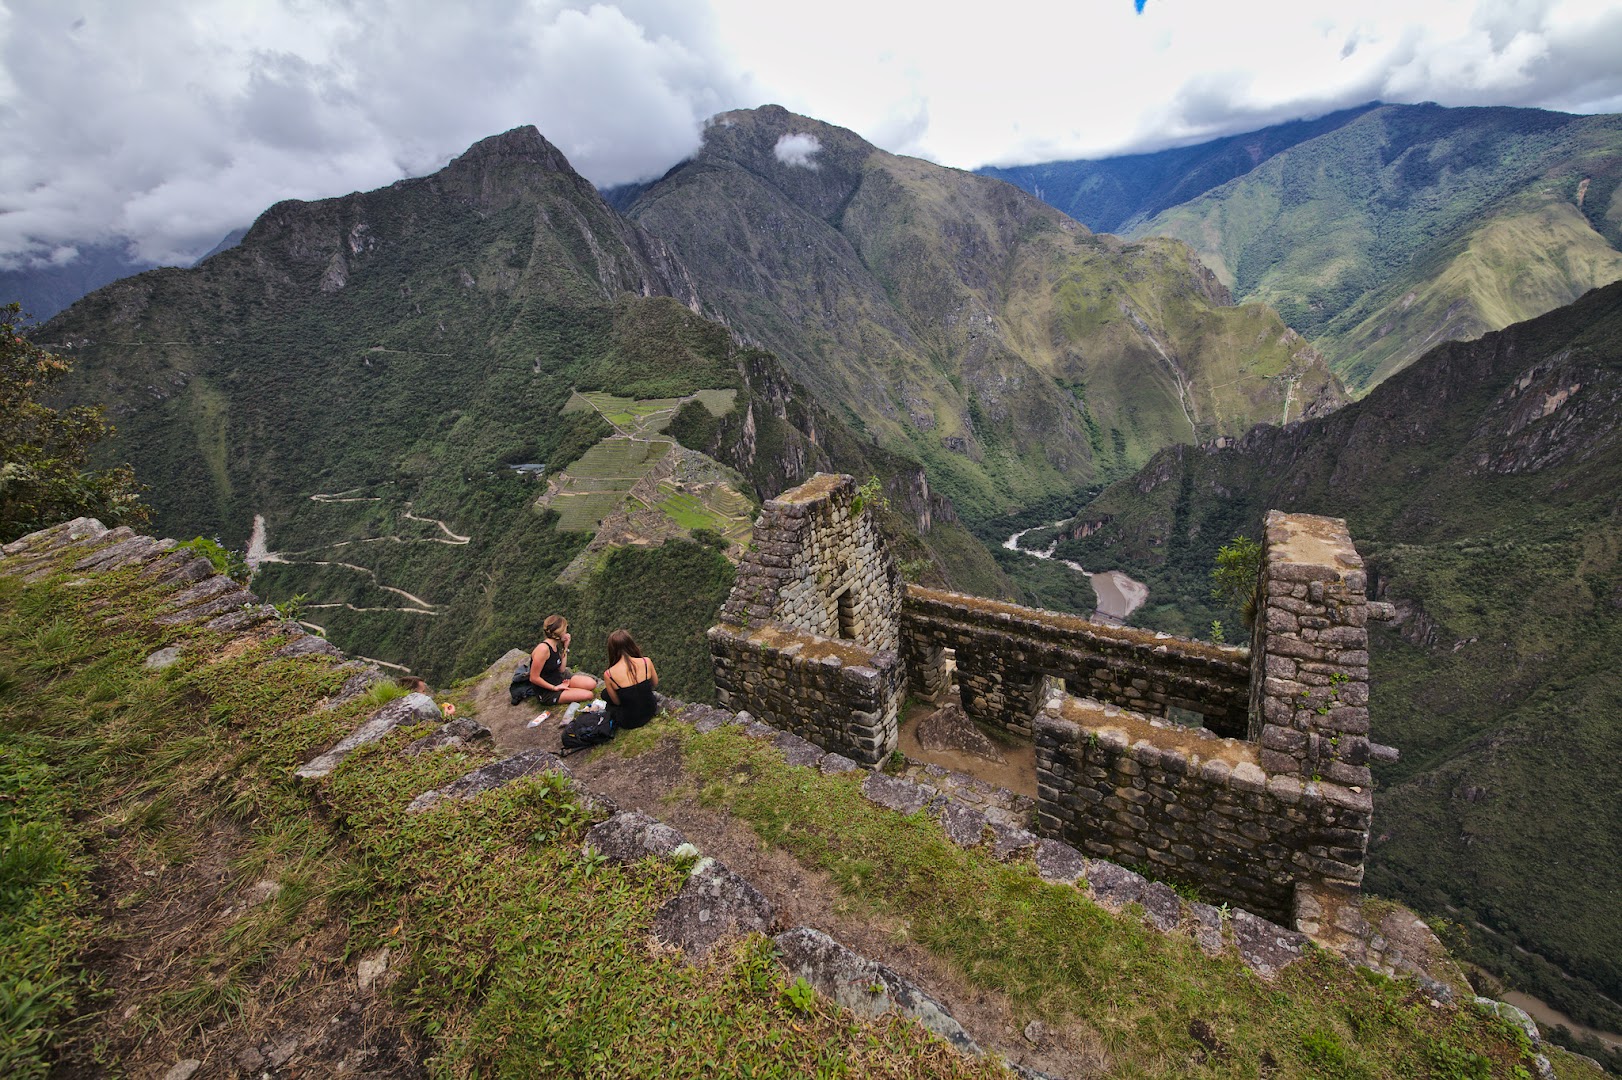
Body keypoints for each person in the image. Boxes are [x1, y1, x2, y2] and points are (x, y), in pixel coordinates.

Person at [529, 615, 598, 708]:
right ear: (561, 632)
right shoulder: (543, 649)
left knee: (592, 684)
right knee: (589, 695)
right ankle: (564, 692)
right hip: (547, 691)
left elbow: (561, 669)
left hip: (559, 678)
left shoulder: (554, 645)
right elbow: (533, 677)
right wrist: (555, 688)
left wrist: (565, 647)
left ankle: (568, 689)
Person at [600, 629, 658, 730]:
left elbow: (617, 702)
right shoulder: (646, 662)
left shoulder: (609, 674)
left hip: (629, 721)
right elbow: (655, 683)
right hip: (650, 710)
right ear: (631, 644)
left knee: (605, 695)